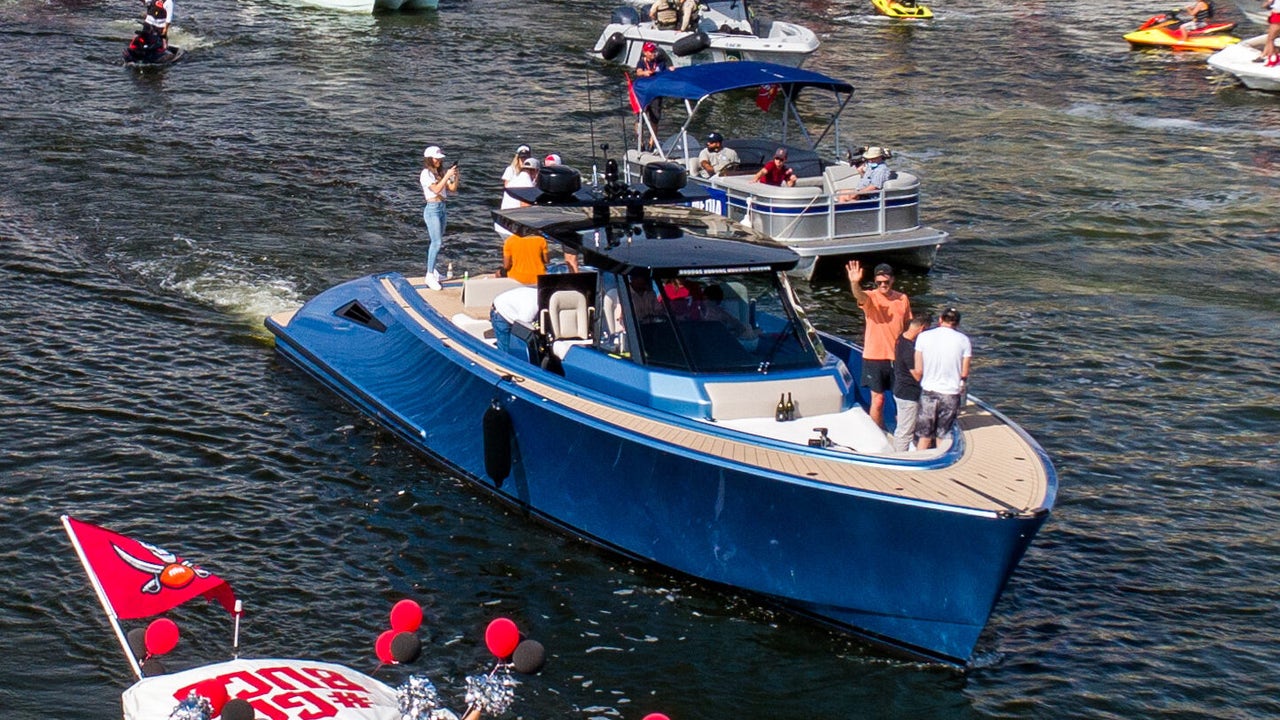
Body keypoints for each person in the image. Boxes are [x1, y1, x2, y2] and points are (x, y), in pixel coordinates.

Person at [846, 260, 912, 430]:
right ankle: (878, 433)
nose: (883, 285)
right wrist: (854, 283)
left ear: (892, 280)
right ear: (875, 282)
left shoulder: (902, 298)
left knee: (902, 400)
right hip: (874, 357)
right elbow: (859, 296)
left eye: (886, 282)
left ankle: (904, 435)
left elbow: (908, 327)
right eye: (879, 282)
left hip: (896, 358)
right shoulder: (871, 297)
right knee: (878, 399)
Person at [911, 307, 972, 451]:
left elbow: (919, 368)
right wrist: (962, 382)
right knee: (943, 436)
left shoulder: (924, 337)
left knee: (924, 436)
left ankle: (920, 461)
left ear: (940, 319)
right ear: (957, 323)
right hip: (950, 393)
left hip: (929, 390)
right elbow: (965, 371)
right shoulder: (964, 340)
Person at [420, 145, 460, 291]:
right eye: (436, 159)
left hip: (442, 208)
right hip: (432, 210)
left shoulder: (440, 173)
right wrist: (447, 176)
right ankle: (429, 275)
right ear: (430, 159)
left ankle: (434, 270)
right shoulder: (426, 174)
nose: (439, 161)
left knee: (437, 242)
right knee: (436, 242)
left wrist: (455, 176)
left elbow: (452, 189)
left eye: (440, 159)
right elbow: (436, 189)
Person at [891, 314, 930, 452]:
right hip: (908, 394)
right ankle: (899, 459)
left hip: (900, 389)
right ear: (922, 328)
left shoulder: (901, 339)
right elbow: (917, 374)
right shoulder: (909, 350)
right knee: (905, 432)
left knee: (904, 427)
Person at [495, 156, 538, 238]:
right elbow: (525, 207)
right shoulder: (527, 183)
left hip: (501, 224)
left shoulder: (514, 180)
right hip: (512, 229)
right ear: (536, 171)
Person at [490, 286, 539, 353]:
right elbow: (523, 329)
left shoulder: (541, 299)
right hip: (501, 312)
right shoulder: (532, 307)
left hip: (516, 311)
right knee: (505, 350)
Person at [1261, 0, 1279, 66]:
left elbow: (1267, 4)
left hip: (1277, 15)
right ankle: (1270, 55)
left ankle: (1272, 59)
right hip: (1276, 15)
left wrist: (1265, 5)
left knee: (1271, 39)